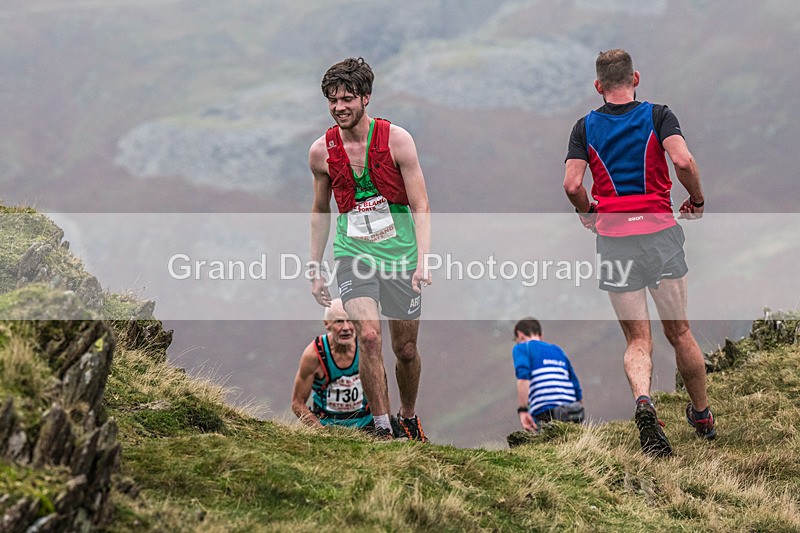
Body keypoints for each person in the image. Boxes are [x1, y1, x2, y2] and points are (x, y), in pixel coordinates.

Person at [563, 49, 715, 457]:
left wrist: (589, 212)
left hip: (614, 240)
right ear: (636, 78)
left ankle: (644, 402)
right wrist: (696, 199)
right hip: (660, 234)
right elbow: (682, 159)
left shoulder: (584, 127)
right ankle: (701, 415)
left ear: (598, 86)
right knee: (680, 332)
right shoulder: (658, 115)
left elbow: (573, 185)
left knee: (637, 339)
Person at [308, 57, 432, 441]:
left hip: (401, 257)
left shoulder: (397, 140)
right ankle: (381, 428)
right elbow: (319, 210)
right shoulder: (321, 152)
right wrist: (314, 266)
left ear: (366, 98)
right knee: (370, 337)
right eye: (332, 100)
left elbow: (421, 206)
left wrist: (423, 261)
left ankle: (407, 417)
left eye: (347, 98)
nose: (339, 107)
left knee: (406, 349)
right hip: (353, 255)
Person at [291, 299, 374, 430]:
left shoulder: (367, 348)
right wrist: (323, 434)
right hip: (327, 427)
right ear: (327, 324)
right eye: (339, 321)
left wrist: (384, 426)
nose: (346, 328)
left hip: (366, 426)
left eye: (350, 320)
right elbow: (297, 403)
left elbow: (382, 390)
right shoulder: (313, 354)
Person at [512, 318, 584, 433]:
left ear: (520, 335)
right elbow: (574, 382)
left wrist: (523, 410)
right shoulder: (557, 350)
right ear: (541, 335)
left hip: (546, 412)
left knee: (548, 448)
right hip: (574, 410)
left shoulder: (522, 348)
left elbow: (523, 378)